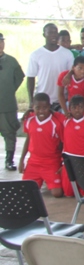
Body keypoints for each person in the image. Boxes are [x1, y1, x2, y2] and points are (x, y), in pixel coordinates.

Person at [19, 93, 64, 197]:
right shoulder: (29, 119)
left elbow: (63, 143)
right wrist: (21, 160)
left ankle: (49, 180)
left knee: (57, 193)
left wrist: (63, 163)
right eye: (37, 108)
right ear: (33, 107)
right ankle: (40, 179)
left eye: (45, 108)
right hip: (34, 162)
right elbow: (28, 140)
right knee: (25, 191)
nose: (41, 111)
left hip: (51, 162)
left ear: (49, 106)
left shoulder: (56, 122)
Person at [27, 23, 75, 110]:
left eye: (55, 32)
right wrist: (31, 100)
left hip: (62, 100)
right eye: (50, 33)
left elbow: (72, 73)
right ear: (44, 35)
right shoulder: (36, 54)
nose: (53, 35)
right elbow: (31, 77)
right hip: (42, 100)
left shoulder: (67, 54)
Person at [58, 95, 84, 197]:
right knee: (68, 193)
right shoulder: (65, 121)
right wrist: (30, 112)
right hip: (69, 163)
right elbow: (49, 113)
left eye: (80, 107)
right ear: (69, 109)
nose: (77, 110)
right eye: (74, 107)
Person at [0, 33, 24, 169]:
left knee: (9, 133)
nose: (0, 45)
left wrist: (8, 90)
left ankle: (9, 160)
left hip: (7, 105)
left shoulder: (11, 61)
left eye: (1, 42)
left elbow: (19, 77)